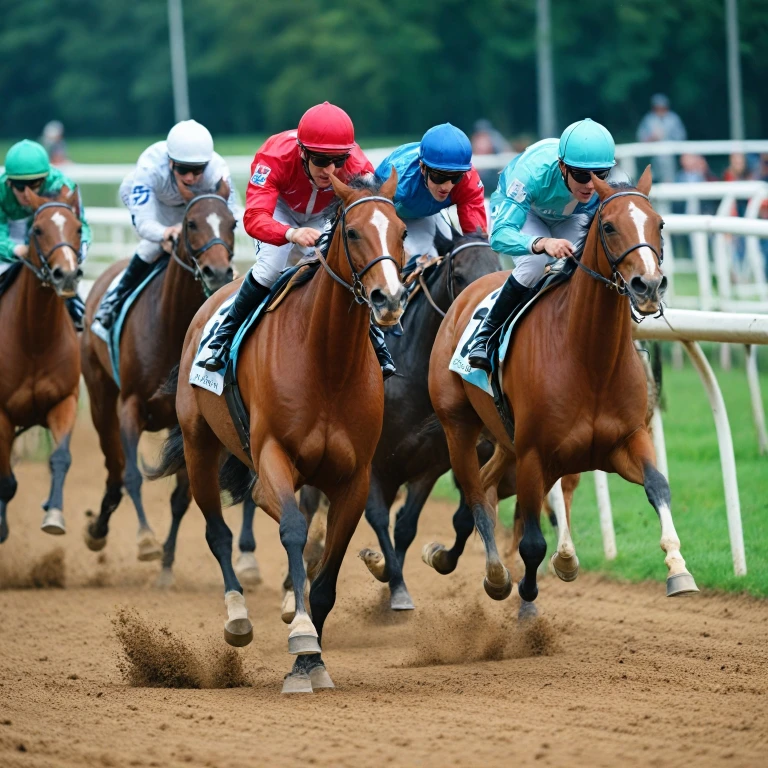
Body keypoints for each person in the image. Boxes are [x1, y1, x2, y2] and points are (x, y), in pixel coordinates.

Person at [202, 102, 396, 379]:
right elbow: (255, 217)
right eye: (320, 160)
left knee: (348, 262)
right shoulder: (275, 156)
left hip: (323, 214)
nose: (329, 170)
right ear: (302, 151)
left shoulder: (355, 163)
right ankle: (224, 334)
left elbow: (368, 210)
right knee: (272, 265)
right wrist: (290, 234)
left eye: (337, 162)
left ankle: (376, 340)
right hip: (280, 211)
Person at [467, 118, 618, 371]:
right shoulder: (531, 174)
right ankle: (485, 336)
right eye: (581, 175)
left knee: (590, 260)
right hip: (526, 212)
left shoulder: (606, 184)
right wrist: (542, 242)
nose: (591, 185)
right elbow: (500, 235)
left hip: (569, 216)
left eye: (600, 175)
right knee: (535, 263)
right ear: (562, 166)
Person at [93, 120, 240, 334]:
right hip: (157, 205)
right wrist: (165, 233)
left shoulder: (218, 170)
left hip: (197, 207)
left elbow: (232, 213)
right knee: (152, 247)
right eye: (183, 169)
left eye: (198, 170)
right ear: (170, 162)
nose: (190, 177)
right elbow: (145, 224)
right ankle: (113, 301)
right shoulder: (150, 168)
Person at [0, 139, 90, 329]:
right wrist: (15, 249)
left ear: (45, 179)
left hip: (50, 237)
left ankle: (79, 314)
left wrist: (74, 256)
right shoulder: (1, 191)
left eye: (34, 185)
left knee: (68, 275)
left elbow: (81, 227)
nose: (27, 194)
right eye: (19, 187)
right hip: (11, 235)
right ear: (8, 183)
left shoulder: (63, 186)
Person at [373, 123, 487, 263]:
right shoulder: (398, 184)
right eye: (440, 177)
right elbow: (374, 225)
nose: (447, 186)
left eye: (455, 177)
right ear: (422, 167)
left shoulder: (468, 181)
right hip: (388, 206)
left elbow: (476, 240)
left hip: (424, 210)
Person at [636, 94, 687, 184]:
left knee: (670, 179)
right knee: (653, 179)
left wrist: (668, 137)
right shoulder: (649, 119)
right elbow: (640, 136)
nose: (660, 110)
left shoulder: (673, 119)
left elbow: (681, 136)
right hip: (652, 156)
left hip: (669, 156)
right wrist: (651, 138)